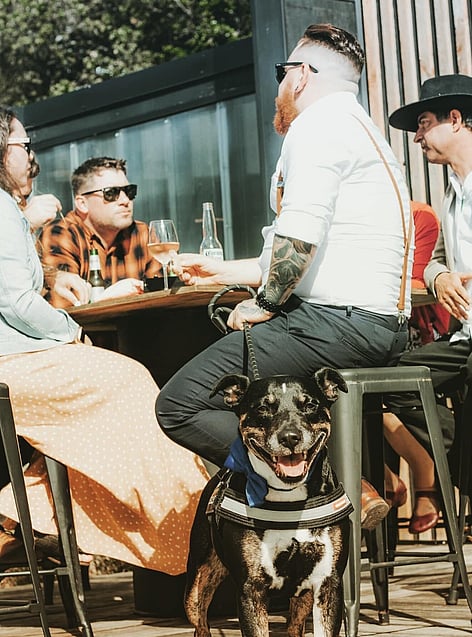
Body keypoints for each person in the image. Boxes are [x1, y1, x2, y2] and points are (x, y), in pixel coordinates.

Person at [156, 23, 413, 531]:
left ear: (300, 76)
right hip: (376, 326)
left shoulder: (316, 126)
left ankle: (327, 482)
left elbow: (301, 235)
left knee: (178, 405)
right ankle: (333, 487)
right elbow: (293, 251)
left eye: (281, 73)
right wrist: (220, 270)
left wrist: (265, 303)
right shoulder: (357, 128)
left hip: (336, 326)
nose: (278, 88)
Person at [0, 104, 209, 573]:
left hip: (16, 357)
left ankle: (18, 521)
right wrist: (73, 332)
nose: (31, 155)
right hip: (11, 362)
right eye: (23, 145)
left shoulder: (10, 210)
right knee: (130, 381)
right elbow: (14, 300)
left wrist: (51, 281)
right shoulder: (6, 210)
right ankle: (189, 529)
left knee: (107, 404)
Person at [385, 73, 472, 531]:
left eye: (423, 123)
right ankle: (462, 465)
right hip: (464, 336)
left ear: (455, 119)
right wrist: (438, 276)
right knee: (391, 378)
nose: (417, 137)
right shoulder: (454, 191)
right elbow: (435, 261)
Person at [383, 201, 451, 533]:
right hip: (365, 332)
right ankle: (381, 478)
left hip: (413, 330)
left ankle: (419, 472)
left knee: (369, 382)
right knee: (331, 382)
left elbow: (417, 276)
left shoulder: (417, 216)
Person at [39, 156, 160, 308]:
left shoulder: (143, 234)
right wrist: (110, 298)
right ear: (82, 204)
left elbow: (163, 297)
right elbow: (65, 309)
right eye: (111, 193)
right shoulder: (62, 234)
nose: (125, 201)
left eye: (129, 191)